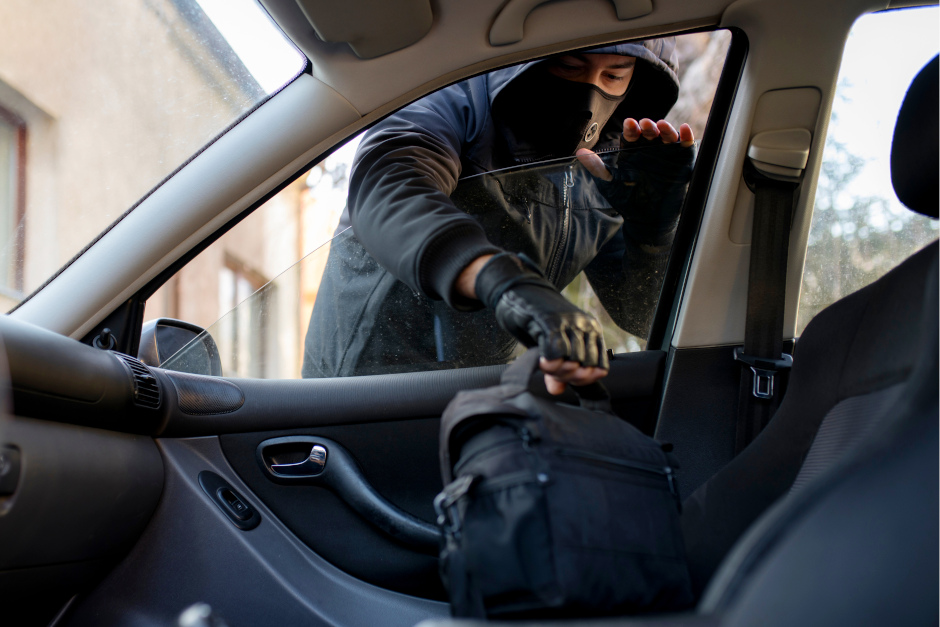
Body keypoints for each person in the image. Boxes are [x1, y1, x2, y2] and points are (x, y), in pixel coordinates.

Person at [303, 39, 695, 393]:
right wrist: (502, 280)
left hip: (481, 388)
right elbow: (390, 183)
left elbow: (639, 314)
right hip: (365, 387)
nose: (591, 94)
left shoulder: (608, 166)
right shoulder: (458, 97)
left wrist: (652, 232)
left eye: (614, 76)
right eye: (571, 67)